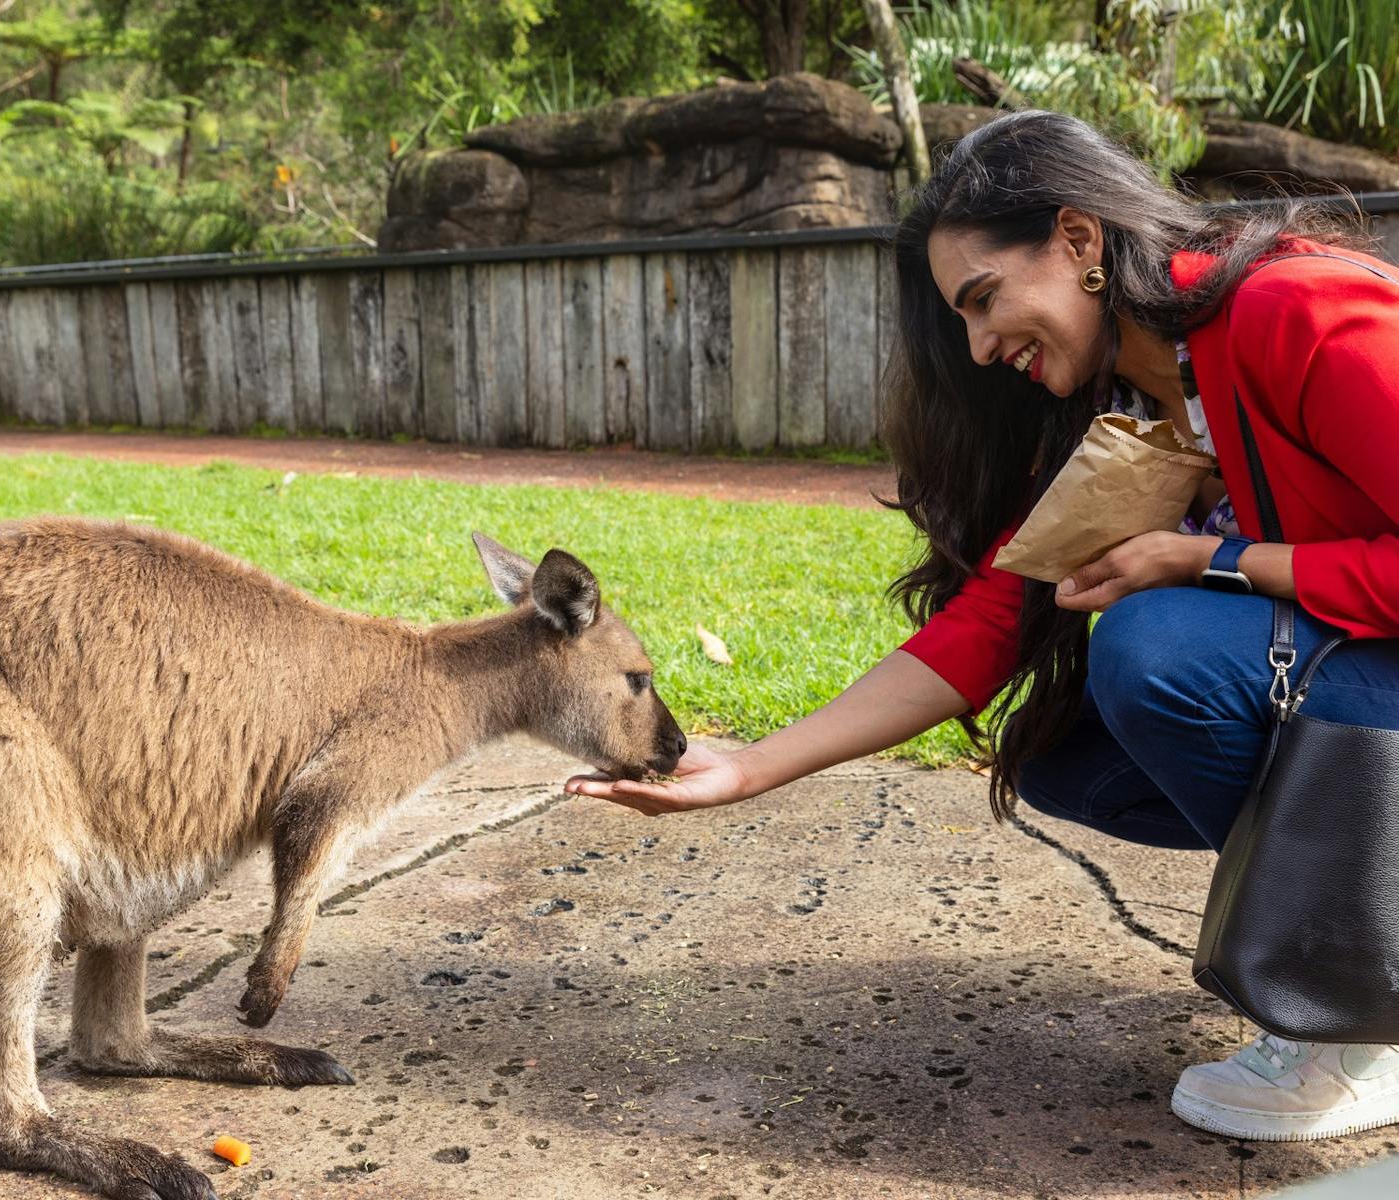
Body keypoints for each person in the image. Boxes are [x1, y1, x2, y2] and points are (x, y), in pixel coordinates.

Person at [565, 110, 1399, 1142]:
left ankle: (1355, 1014)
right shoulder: (1123, 402)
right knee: (1060, 749)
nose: (978, 345)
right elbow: (992, 617)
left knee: (1154, 652)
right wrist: (749, 769)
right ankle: (1352, 940)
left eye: (983, 299)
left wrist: (1211, 559)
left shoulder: (1291, 311)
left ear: (1078, 239)